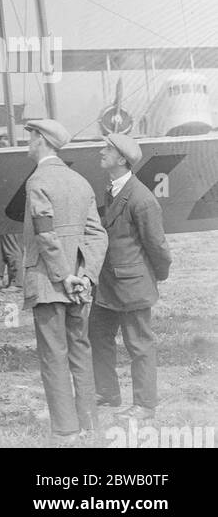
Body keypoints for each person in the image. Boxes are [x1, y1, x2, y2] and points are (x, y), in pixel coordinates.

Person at [22, 118, 108, 442]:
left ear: (41, 139)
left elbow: (45, 234)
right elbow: (98, 235)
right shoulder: (81, 182)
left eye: (30, 137)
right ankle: (89, 423)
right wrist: (86, 277)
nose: (28, 143)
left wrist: (64, 276)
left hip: (49, 284)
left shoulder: (37, 182)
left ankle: (66, 429)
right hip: (78, 288)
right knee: (80, 351)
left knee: (53, 355)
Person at [89, 131, 171, 420]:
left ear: (121, 159)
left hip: (132, 286)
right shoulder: (111, 189)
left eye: (106, 149)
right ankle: (107, 393)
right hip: (108, 284)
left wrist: (154, 277)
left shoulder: (141, 198)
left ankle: (145, 405)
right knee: (98, 336)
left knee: (139, 344)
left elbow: (157, 245)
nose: (101, 152)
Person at [0, 134, 23, 290]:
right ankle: (0, 278)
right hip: (5, 211)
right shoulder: (13, 166)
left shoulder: (3, 169)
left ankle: (17, 281)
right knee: (1, 245)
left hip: (11, 213)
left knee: (11, 246)